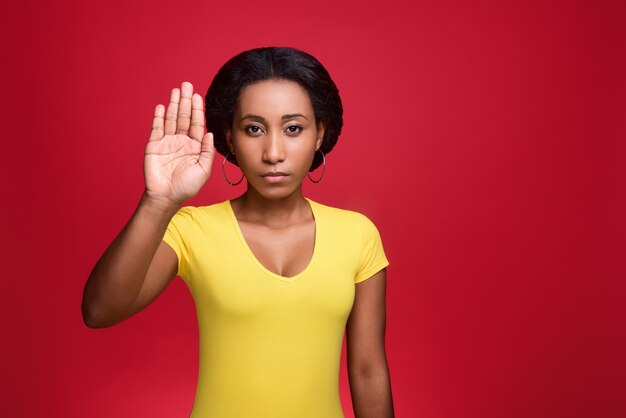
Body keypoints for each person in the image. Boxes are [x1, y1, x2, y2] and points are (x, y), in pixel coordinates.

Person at [82, 46, 394, 418]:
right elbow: (99, 311)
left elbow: (369, 370)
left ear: (319, 135)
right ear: (230, 138)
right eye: (254, 129)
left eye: (293, 129)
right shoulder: (191, 230)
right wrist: (159, 202)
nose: (273, 152)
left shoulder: (358, 235)